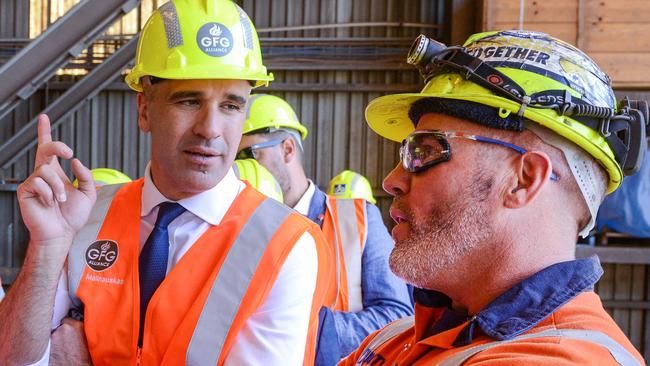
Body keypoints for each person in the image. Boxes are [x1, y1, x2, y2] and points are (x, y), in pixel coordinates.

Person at [0, 1, 332, 365]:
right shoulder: (83, 217)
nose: (210, 129)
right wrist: (48, 248)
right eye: (189, 101)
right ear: (144, 110)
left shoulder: (285, 244)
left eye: (232, 106)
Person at [341, 30, 647, 365]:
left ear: (523, 180)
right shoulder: (394, 340)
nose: (392, 181)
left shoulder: (557, 360)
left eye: (424, 152)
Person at [238, 94, 413, 365]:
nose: (240, 169)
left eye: (249, 155)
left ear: (287, 149)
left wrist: (311, 328)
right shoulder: (238, 225)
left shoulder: (356, 218)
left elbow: (397, 318)